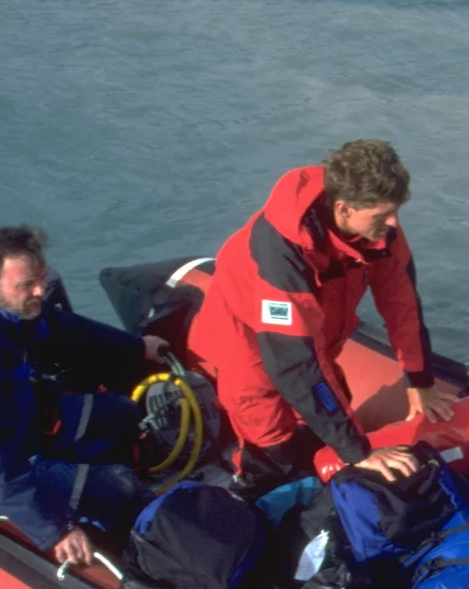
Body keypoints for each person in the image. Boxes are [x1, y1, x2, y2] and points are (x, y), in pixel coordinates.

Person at [191, 139, 452, 489]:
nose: (393, 222)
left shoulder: (378, 231)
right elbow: (295, 363)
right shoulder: (281, 258)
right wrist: (358, 453)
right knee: (275, 452)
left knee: (330, 419)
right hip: (251, 353)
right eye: (382, 215)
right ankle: (254, 490)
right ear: (343, 209)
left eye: (396, 211)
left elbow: (402, 305)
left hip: (320, 341)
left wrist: (421, 381)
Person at [0, 225, 168, 566]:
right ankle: (142, 554)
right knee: (120, 485)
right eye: (27, 285)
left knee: (122, 411)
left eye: (41, 278)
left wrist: (136, 348)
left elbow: (67, 329)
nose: (40, 289)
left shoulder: (14, 308)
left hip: (22, 420)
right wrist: (55, 530)